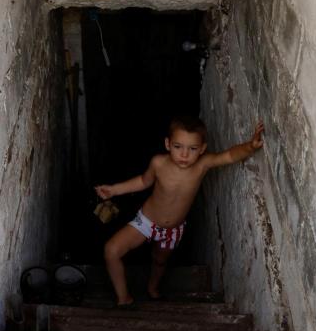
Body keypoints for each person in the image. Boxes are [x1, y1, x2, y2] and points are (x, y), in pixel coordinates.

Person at [94, 116, 265, 306]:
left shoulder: (202, 164)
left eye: (192, 149)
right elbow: (143, 181)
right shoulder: (159, 163)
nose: (184, 154)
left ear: (202, 149)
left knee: (159, 261)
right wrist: (114, 190)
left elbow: (229, 156)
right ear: (167, 144)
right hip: (147, 222)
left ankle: (152, 287)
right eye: (178, 147)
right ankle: (124, 297)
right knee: (111, 250)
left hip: (172, 230)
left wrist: (251, 146)